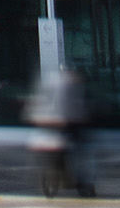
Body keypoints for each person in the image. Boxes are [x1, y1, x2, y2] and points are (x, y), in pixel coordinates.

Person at [24, 57, 96, 197]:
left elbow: (84, 107)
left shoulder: (74, 87)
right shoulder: (56, 86)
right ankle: (62, 173)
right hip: (56, 126)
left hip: (70, 126)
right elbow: (38, 102)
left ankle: (83, 179)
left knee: (79, 150)